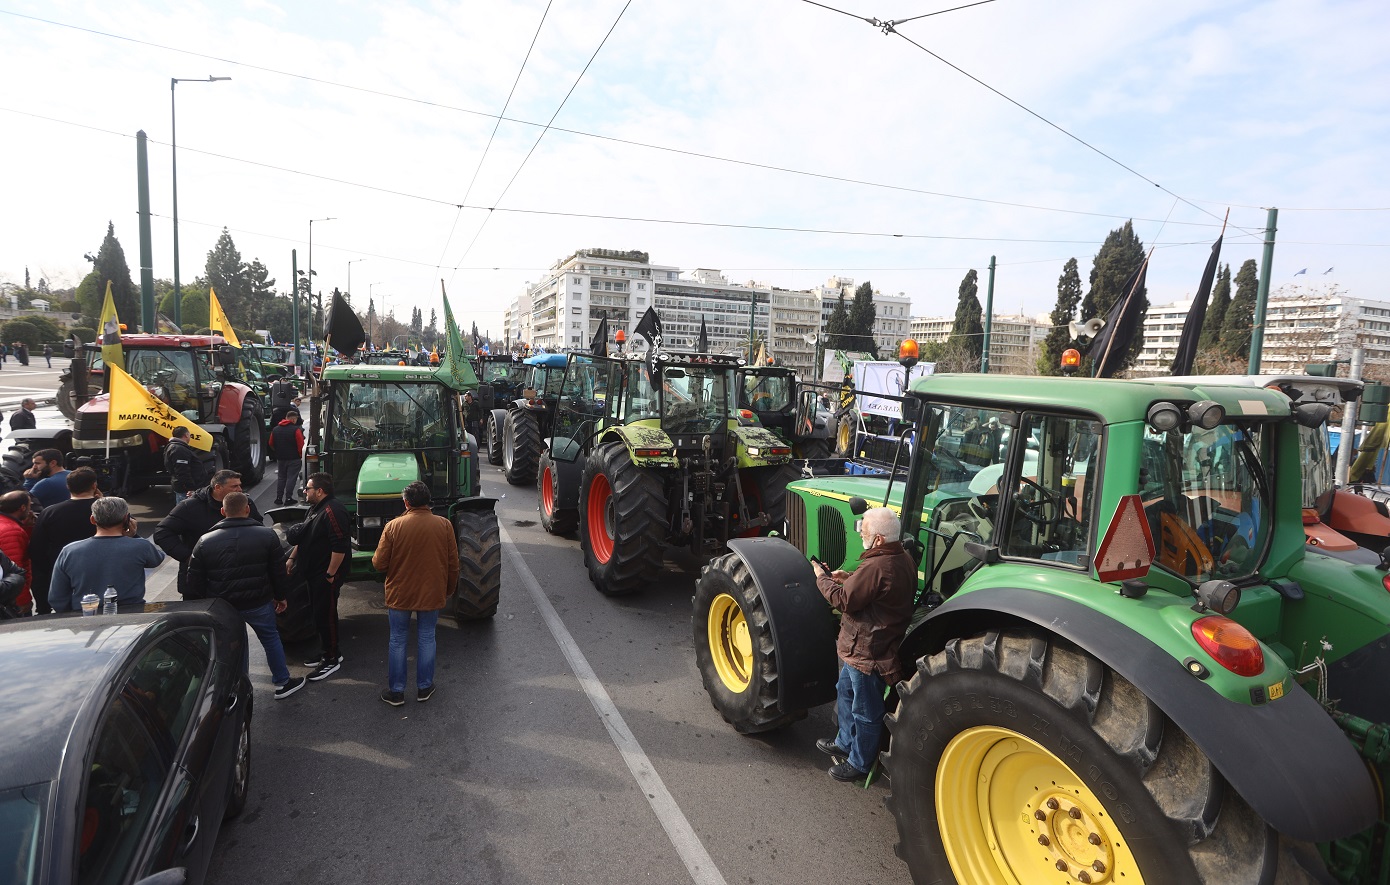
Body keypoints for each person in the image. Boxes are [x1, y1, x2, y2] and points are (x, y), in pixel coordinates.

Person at [812, 506, 914, 782]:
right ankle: (845, 742)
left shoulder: (878, 566)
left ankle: (860, 763)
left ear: (879, 539)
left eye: (865, 531)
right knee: (844, 691)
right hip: (863, 647)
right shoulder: (901, 558)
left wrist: (822, 579)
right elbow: (872, 592)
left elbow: (843, 601)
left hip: (867, 650)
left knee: (865, 711)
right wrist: (850, 580)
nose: (861, 536)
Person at [186, 491, 305, 700]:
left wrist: (204, 605)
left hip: (223, 607)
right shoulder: (267, 535)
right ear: (248, 509)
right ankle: (282, 682)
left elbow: (194, 580)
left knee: (231, 646)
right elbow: (278, 571)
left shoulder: (205, 540)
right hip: (258, 602)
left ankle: (237, 690)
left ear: (222, 511)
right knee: (270, 638)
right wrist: (280, 596)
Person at [371, 481, 459, 705]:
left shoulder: (393, 527)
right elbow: (453, 564)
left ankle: (397, 692)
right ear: (428, 501)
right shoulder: (444, 525)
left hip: (400, 594)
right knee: (427, 637)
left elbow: (379, 563)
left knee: (398, 639)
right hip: (431, 592)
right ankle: (424, 688)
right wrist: (448, 588)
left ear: (406, 502)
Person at [154, 469, 264, 598]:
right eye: (234, 486)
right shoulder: (190, 507)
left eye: (240, 485)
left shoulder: (245, 502)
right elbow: (162, 532)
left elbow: (258, 528)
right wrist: (189, 557)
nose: (240, 489)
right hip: (200, 584)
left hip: (237, 581)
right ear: (218, 487)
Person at [287, 473, 350, 681]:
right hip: (313, 573)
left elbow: (339, 547)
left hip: (324, 576)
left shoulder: (333, 511)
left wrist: (330, 574)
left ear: (320, 491)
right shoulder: (315, 508)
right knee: (318, 614)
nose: (305, 491)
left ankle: (332, 658)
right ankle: (325, 651)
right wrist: (292, 558)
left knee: (326, 615)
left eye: (308, 488)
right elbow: (304, 535)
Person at [50, 496, 164, 611]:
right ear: (126, 519)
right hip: (131, 613)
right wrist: (134, 536)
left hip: (85, 615)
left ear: (92, 520)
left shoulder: (69, 551)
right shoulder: (140, 546)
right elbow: (156, 559)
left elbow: (57, 597)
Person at [28, 467, 101, 616]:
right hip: (101, 572)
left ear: (68, 486)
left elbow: (37, 550)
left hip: (62, 574)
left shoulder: (50, 512)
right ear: (94, 485)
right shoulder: (105, 509)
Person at [0, 491, 34, 614]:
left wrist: (27, 527)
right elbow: (16, 569)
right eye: (30, 505)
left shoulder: (7, 524)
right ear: (23, 507)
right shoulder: (12, 531)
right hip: (11, 600)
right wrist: (24, 600)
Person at [164, 426, 209, 504]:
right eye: (189, 435)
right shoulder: (179, 449)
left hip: (183, 488)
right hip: (186, 491)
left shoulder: (175, 447)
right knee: (187, 512)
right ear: (186, 435)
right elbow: (182, 471)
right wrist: (190, 488)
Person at [270, 408, 305, 505]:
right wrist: (300, 455)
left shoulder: (275, 429)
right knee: (291, 478)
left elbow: (271, 443)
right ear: (293, 419)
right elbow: (300, 445)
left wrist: (277, 451)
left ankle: (278, 498)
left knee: (281, 478)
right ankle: (288, 498)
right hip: (294, 458)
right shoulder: (296, 430)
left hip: (281, 458)